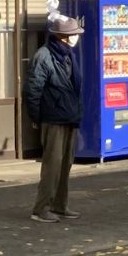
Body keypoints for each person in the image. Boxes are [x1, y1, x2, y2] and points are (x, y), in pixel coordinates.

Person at [25, 17, 83, 223]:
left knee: (66, 163)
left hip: (69, 117)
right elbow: (33, 89)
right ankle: (41, 208)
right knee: (52, 164)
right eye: (74, 34)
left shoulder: (68, 55)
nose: (77, 37)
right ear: (64, 37)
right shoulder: (44, 56)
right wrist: (35, 117)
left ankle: (59, 204)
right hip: (53, 118)